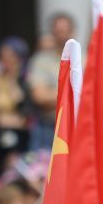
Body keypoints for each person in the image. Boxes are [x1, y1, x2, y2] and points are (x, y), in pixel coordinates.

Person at [0, 37, 32, 180]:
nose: (7, 61)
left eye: (11, 57)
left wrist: (15, 86)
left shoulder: (25, 83)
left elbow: (27, 112)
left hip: (20, 136)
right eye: (4, 57)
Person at [27, 13, 75, 150]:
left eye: (64, 30)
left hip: (79, 126)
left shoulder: (86, 59)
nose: (61, 35)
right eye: (58, 31)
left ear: (72, 31)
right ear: (52, 33)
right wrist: (74, 91)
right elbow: (39, 96)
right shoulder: (40, 60)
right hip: (49, 129)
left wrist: (53, 93)